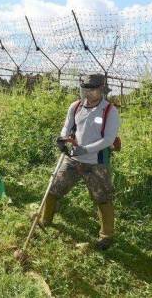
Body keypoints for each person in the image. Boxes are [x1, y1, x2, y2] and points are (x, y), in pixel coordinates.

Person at [40, 74, 120, 250]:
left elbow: (108, 139)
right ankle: (45, 219)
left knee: (103, 198)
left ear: (101, 89)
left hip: (97, 162)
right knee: (54, 188)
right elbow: (67, 127)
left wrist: (86, 149)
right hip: (73, 159)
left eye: (92, 90)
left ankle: (106, 236)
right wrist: (62, 140)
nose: (88, 93)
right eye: (85, 89)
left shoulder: (109, 111)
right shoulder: (75, 107)